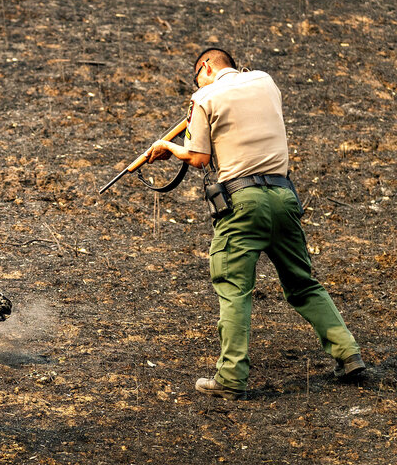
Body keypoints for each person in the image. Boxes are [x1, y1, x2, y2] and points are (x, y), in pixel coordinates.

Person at [144, 47, 365, 400]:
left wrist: (167, 147)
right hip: (283, 196)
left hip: (242, 203)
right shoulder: (266, 81)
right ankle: (348, 353)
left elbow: (199, 158)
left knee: (233, 288)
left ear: (205, 68)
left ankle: (231, 378)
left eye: (196, 76)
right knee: (303, 283)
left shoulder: (205, 96)